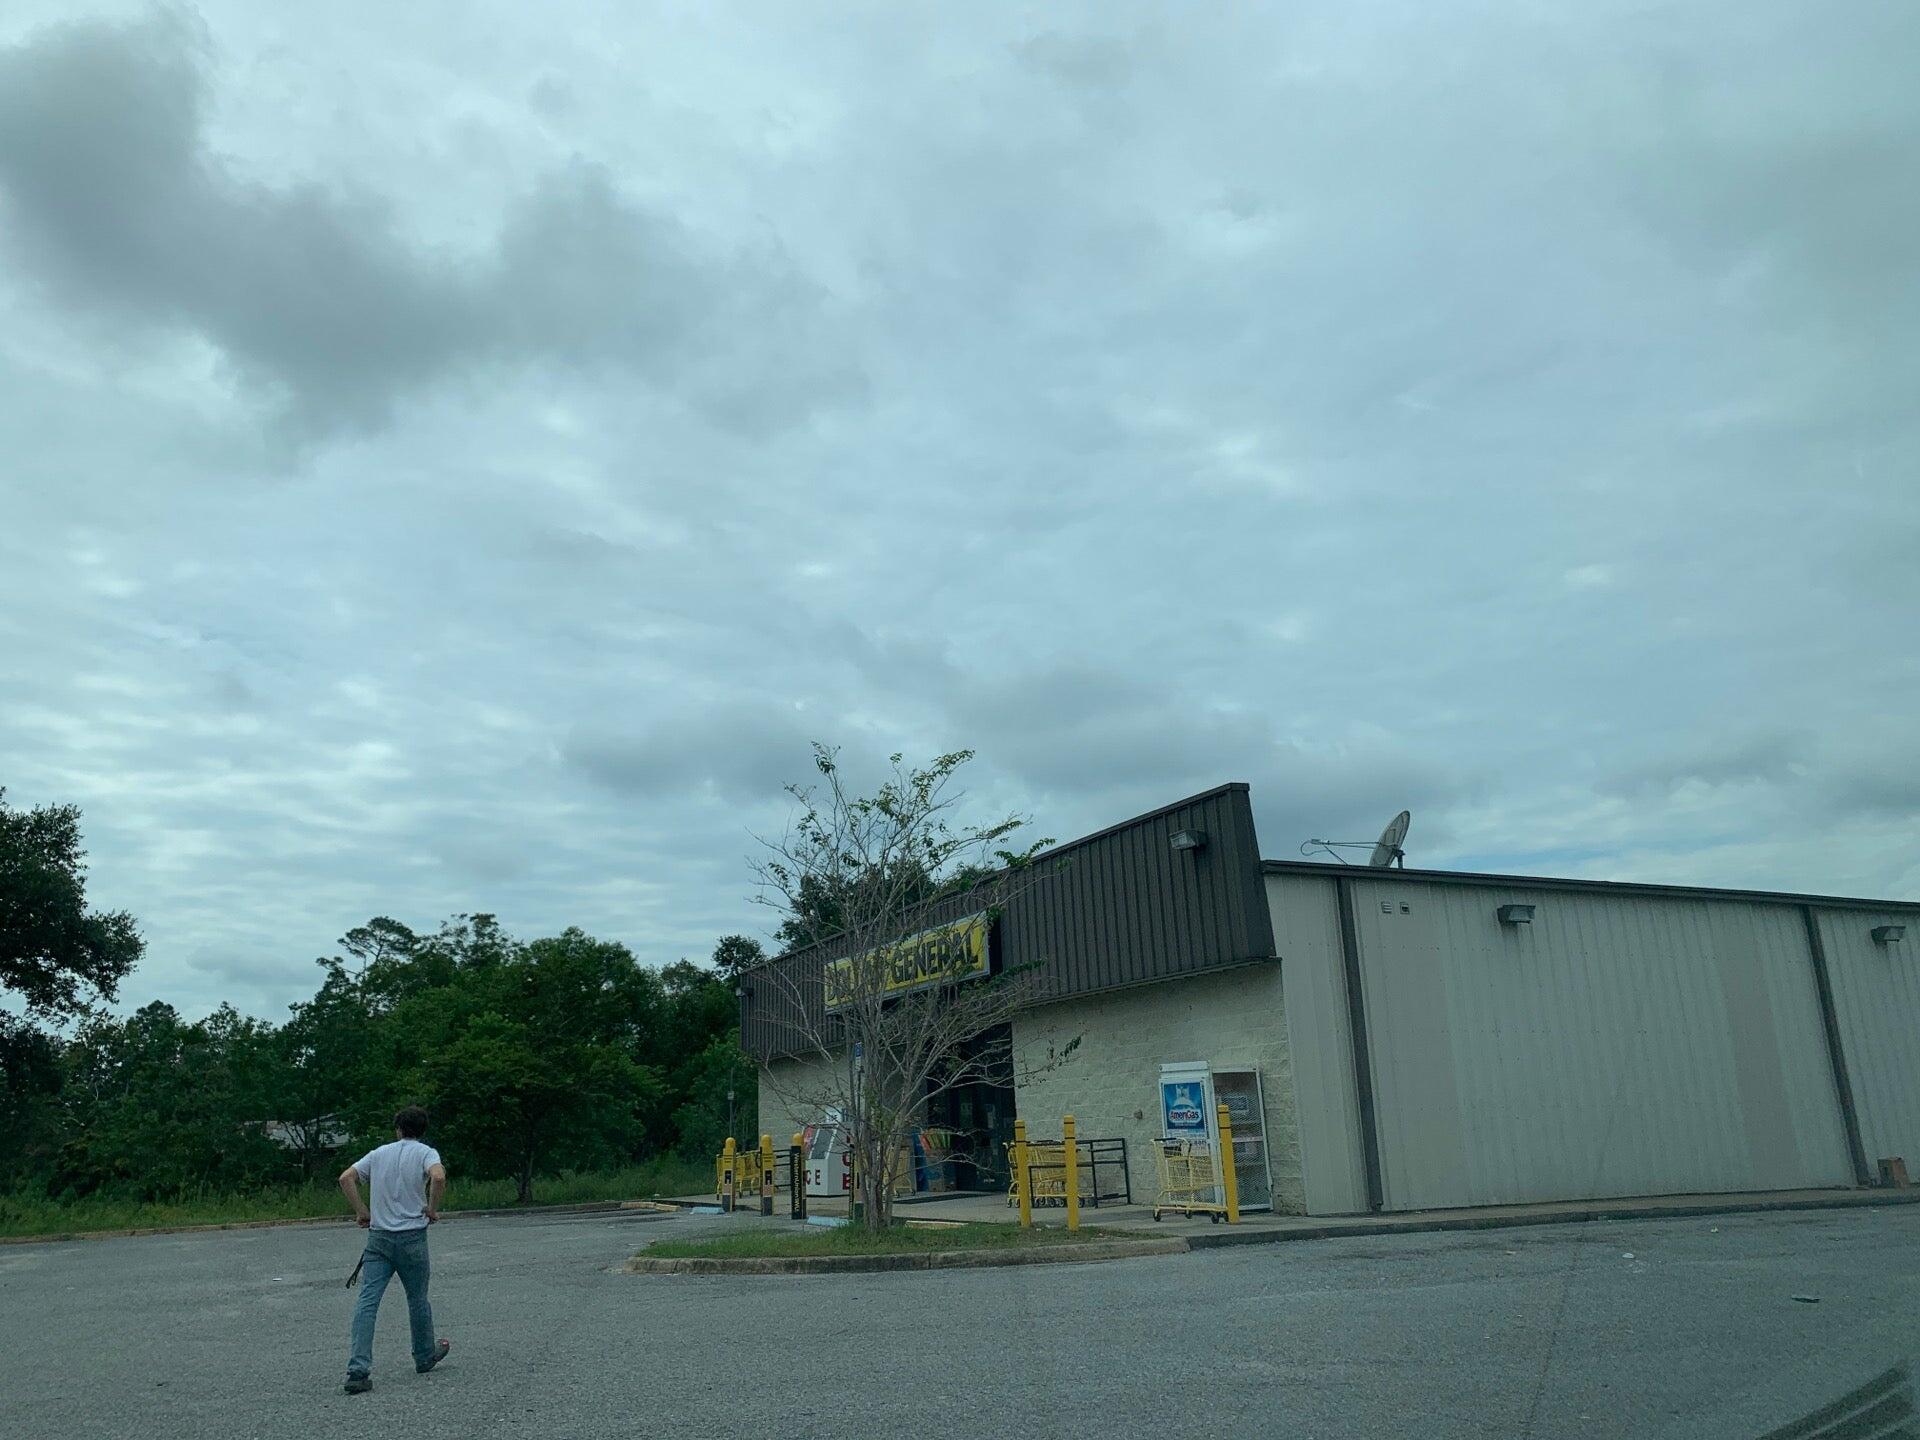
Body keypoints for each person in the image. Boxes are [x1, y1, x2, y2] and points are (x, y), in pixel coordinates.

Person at [338, 1106, 452, 1393]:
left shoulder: (378, 1154)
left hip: (379, 1238)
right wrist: (432, 1209)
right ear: (422, 1130)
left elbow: (346, 1178)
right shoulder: (426, 1153)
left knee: (368, 1301)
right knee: (417, 1299)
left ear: (397, 1128)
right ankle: (424, 1355)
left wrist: (363, 1211)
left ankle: (358, 1370)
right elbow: (438, 1177)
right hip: (412, 1236)